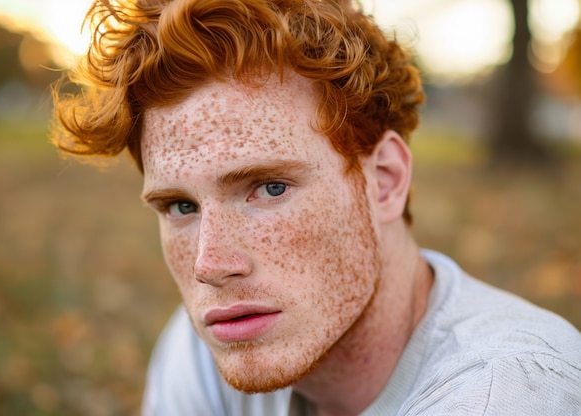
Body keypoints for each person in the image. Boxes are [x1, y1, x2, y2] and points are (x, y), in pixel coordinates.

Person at [51, 0, 581, 414]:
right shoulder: (211, 341)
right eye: (180, 205)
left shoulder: (511, 390)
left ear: (386, 181)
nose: (210, 266)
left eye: (270, 188)